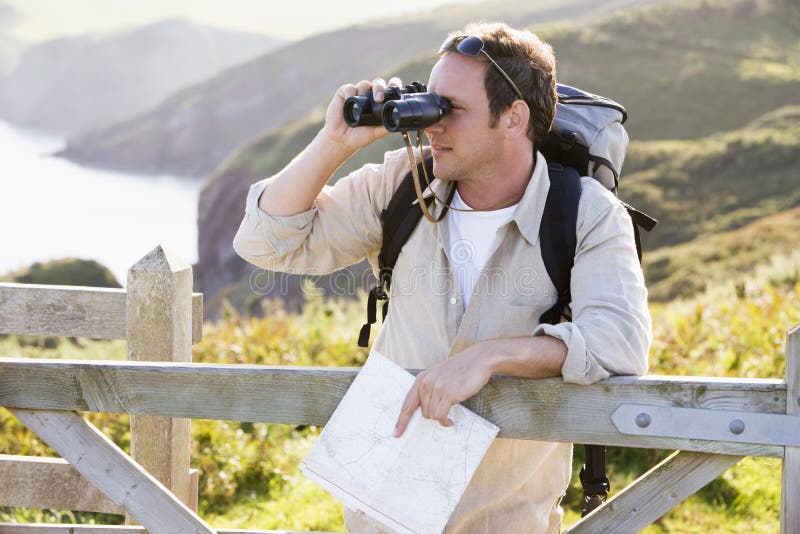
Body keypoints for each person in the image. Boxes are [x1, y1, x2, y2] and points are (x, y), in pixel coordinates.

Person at [233, 21, 651, 534]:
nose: (432, 125)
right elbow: (264, 240)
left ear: (514, 118)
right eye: (429, 104)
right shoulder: (401, 182)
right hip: (380, 512)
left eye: (451, 110)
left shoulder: (585, 212)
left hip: (503, 518)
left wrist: (491, 356)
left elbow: (620, 344)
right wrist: (335, 142)